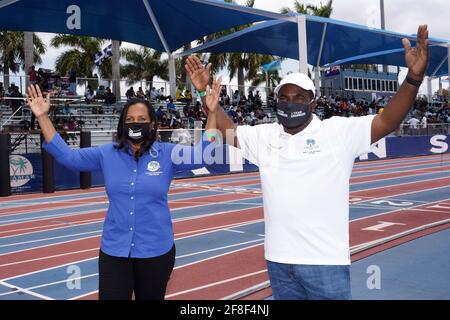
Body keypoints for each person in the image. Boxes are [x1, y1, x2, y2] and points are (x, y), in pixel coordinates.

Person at [185, 25, 430, 300]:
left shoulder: (336, 132)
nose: (290, 104)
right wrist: (207, 92)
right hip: (278, 261)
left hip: (324, 262)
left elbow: (388, 121)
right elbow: (226, 131)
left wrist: (413, 77)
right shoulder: (265, 135)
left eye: (299, 98)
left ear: (313, 103)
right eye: (284, 98)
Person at [25, 76, 222, 300]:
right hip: (114, 251)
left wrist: (212, 112)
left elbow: (204, 155)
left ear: (152, 124)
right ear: (122, 124)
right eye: (129, 119)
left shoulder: (167, 153)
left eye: (141, 119)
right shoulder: (107, 154)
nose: (135, 123)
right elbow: (68, 157)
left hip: (156, 251)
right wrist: (42, 116)